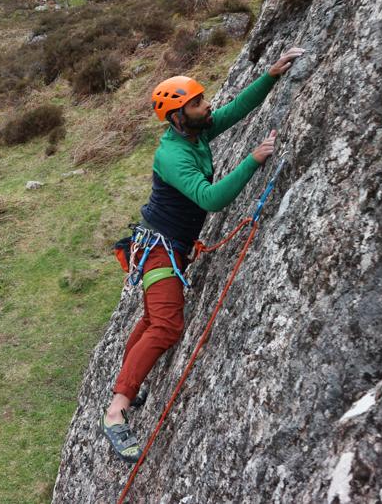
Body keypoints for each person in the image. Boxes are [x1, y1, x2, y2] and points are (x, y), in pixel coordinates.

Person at [101, 47, 304, 463]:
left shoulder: (194, 133)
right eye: (197, 102)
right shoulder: (173, 155)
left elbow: (231, 112)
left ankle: (126, 385)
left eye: (201, 98)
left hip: (167, 247)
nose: (206, 104)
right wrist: (252, 160)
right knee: (166, 327)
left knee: (152, 320)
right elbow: (210, 199)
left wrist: (270, 75)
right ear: (178, 115)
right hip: (161, 252)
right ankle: (116, 412)